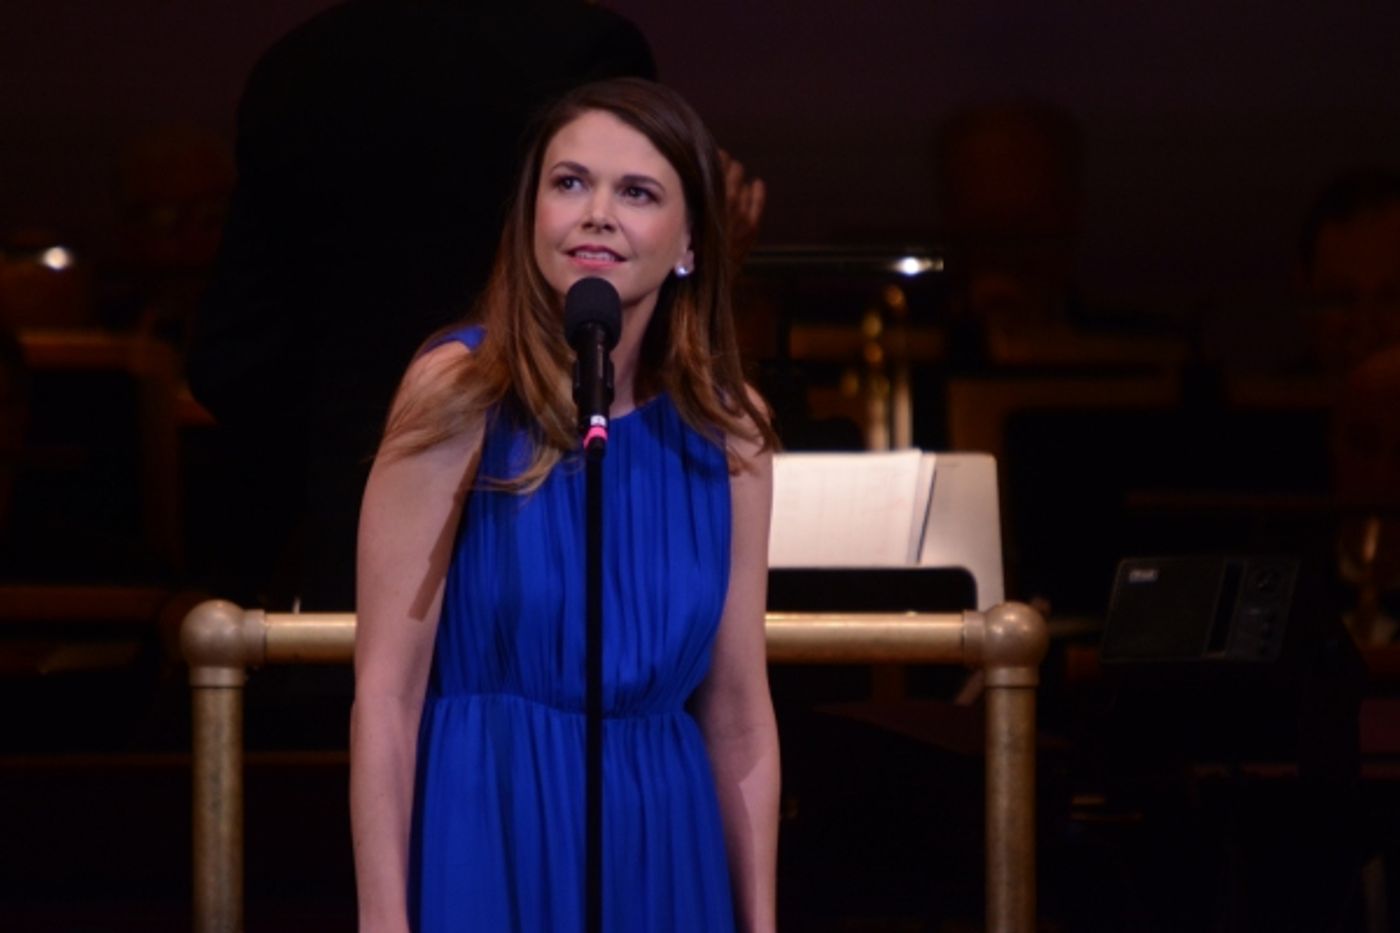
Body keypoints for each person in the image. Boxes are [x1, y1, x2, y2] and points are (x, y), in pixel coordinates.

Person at [350, 78, 781, 932]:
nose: (597, 214)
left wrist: (758, 920)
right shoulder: (459, 389)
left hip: (665, 848)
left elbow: (737, 713)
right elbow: (387, 696)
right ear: (532, 213)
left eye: (638, 193)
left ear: (691, 241)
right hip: (488, 828)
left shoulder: (733, 430)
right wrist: (382, 919)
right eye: (570, 182)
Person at [188, 0, 658, 610]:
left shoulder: (297, 68)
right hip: (557, 527)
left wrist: (352, 443)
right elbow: (628, 310)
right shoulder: (590, 47)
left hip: (352, 545)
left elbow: (233, 362)